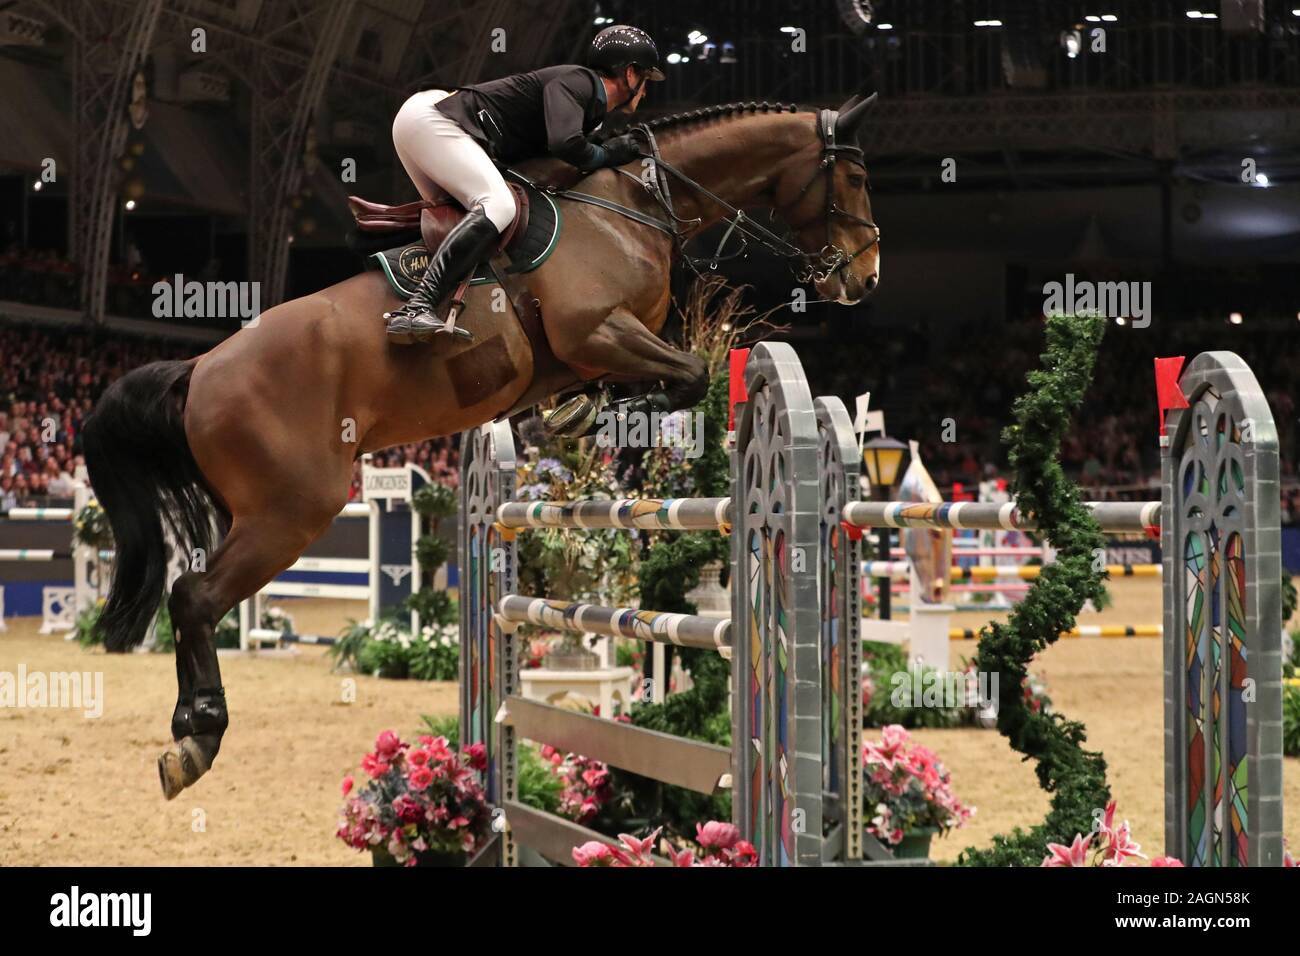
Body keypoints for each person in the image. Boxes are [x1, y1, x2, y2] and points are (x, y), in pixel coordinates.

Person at [383, 24, 665, 345]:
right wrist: (605, 155)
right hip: (434, 120)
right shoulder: (581, 82)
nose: (646, 90)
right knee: (498, 205)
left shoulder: (589, 107)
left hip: (424, 124)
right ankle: (418, 305)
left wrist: (601, 151)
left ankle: (419, 303)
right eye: (645, 79)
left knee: (472, 225)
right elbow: (564, 143)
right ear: (630, 74)